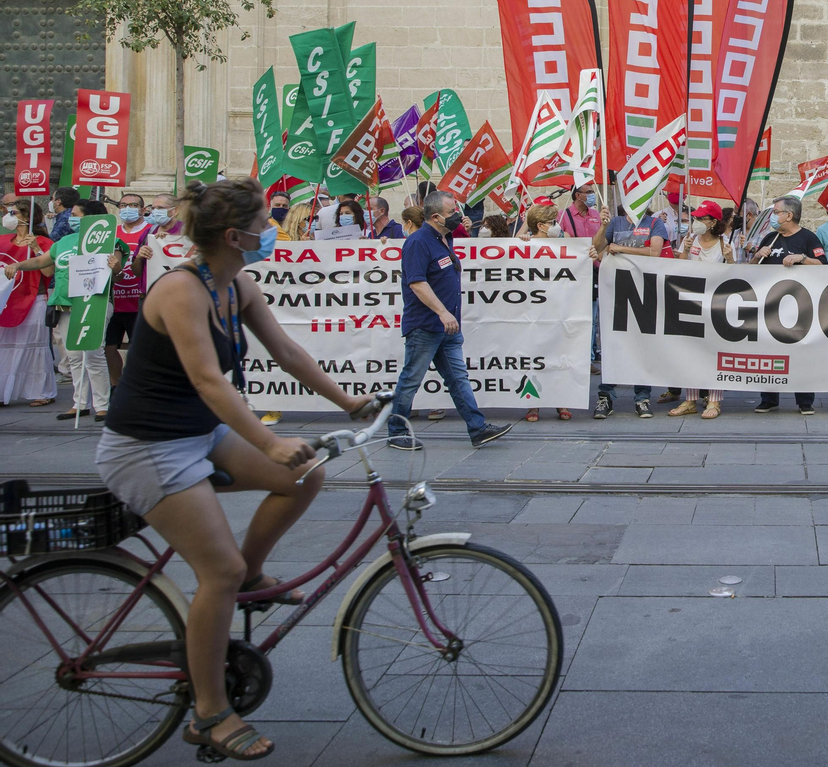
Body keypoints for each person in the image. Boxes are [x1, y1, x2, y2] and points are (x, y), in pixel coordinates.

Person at [93, 178, 378, 761]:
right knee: (216, 570)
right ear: (233, 236)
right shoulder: (181, 290)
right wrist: (270, 442)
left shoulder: (236, 284)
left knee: (308, 472)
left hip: (198, 432)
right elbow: (207, 380)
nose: (272, 229)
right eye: (265, 222)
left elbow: (288, 353)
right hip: (147, 446)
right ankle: (209, 712)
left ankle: (252, 574)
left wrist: (350, 401)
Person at [386, 190, 513, 450]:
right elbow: (417, 283)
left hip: (448, 327)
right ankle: (396, 431)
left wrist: (448, 316)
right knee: (411, 378)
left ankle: (477, 428)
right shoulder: (419, 242)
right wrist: (442, 312)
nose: (458, 215)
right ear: (435, 216)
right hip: (426, 325)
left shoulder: (446, 238)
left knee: (458, 379)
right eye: (452, 212)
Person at [7, 199, 125, 422]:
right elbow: (43, 261)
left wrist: (115, 266)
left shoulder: (111, 240)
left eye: (77, 215)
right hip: (65, 301)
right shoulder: (63, 241)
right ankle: (79, 403)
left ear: (91, 219)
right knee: (74, 355)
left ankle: (102, 405)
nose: (72, 219)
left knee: (93, 352)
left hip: (95, 301)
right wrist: (19, 264)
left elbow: (117, 271)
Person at [590, 200, 669, 419]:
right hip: (615, 291)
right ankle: (605, 396)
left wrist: (619, 248)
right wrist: (604, 227)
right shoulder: (615, 222)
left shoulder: (654, 223)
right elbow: (596, 250)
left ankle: (642, 397)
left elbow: (655, 252)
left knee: (642, 344)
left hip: (645, 291)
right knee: (612, 343)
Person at [750, 195, 826, 413]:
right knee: (769, 352)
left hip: (799, 306)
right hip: (770, 306)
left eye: (776, 212)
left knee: (801, 353)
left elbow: (824, 265)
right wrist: (756, 258)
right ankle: (769, 398)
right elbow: (749, 272)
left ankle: (804, 401)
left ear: (789, 216)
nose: (773, 216)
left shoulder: (808, 238)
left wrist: (803, 258)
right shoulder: (769, 238)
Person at [669, 201, 734, 419]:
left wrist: (731, 259)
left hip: (715, 306)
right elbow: (678, 268)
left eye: (701, 219)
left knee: (715, 352)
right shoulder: (690, 240)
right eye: (695, 218)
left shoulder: (724, 243)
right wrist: (684, 252)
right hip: (691, 303)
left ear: (713, 222)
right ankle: (690, 400)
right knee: (690, 351)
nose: (696, 222)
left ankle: (714, 401)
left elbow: (736, 277)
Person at [519, 201, 573, 423]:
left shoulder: (565, 243)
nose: (557, 226)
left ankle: (561, 400)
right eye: (552, 222)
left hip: (559, 308)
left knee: (559, 355)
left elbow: (581, 253)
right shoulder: (525, 244)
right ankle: (533, 402)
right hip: (533, 310)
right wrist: (523, 236)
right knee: (534, 355)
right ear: (541, 226)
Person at [0, 205, 56, 408]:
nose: (8, 216)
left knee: (35, 346)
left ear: (27, 217)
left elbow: (49, 273)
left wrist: (36, 249)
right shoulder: (2, 241)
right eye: (7, 212)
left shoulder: (44, 242)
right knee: (4, 348)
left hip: (34, 298)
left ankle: (41, 391)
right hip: (6, 301)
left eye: (13, 213)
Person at [557, 181, 607, 375]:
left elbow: (601, 244)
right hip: (573, 272)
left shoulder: (596, 216)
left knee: (592, 317)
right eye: (588, 192)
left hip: (594, 270)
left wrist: (603, 227)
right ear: (578, 195)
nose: (592, 195)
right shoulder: (563, 215)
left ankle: (588, 358)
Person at [105, 191, 153, 386]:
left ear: (143, 209)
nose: (127, 209)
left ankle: (137, 386)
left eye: (133, 205)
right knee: (108, 347)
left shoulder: (152, 231)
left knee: (139, 348)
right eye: (123, 205)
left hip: (139, 300)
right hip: (112, 300)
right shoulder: (111, 233)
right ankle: (116, 387)